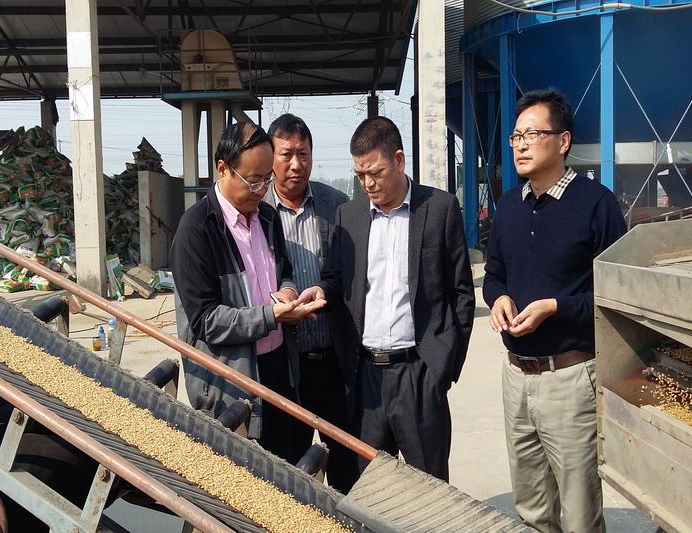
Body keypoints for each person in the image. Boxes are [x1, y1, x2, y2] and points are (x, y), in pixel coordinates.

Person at [297, 116, 475, 481]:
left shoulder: (439, 209)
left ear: (399, 160)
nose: (368, 183)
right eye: (360, 175)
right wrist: (322, 290)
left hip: (419, 373)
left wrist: (443, 367)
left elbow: (461, 293)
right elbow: (336, 278)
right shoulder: (350, 215)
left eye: (375, 172)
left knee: (429, 487)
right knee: (371, 487)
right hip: (366, 380)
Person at [483, 88, 627, 532]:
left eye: (532, 134)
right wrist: (498, 299)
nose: (521, 145)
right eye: (516, 136)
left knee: (580, 512)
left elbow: (616, 295)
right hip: (516, 377)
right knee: (531, 510)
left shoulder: (596, 204)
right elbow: (494, 275)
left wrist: (555, 307)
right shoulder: (510, 206)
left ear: (562, 141)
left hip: (570, 378)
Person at [171, 122, 324, 463]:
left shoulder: (266, 218)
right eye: (253, 181)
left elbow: (284, 271)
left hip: (279, 370)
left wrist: (287, 292)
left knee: (288, 470)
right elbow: (205, 321)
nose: (261, 190)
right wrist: (271, 316)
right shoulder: (197, 230)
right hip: (232, 383)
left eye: (266, 180)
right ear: (222, 168)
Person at [262, 113, 358, 493]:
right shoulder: (258, 211)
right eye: (286, 154)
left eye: (303, 154)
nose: (296, 164)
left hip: (333, 360)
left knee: (347, 463)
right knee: (290, 466)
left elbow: (352, 276)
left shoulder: (337, 206)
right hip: (286, 364)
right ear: (270, 157)